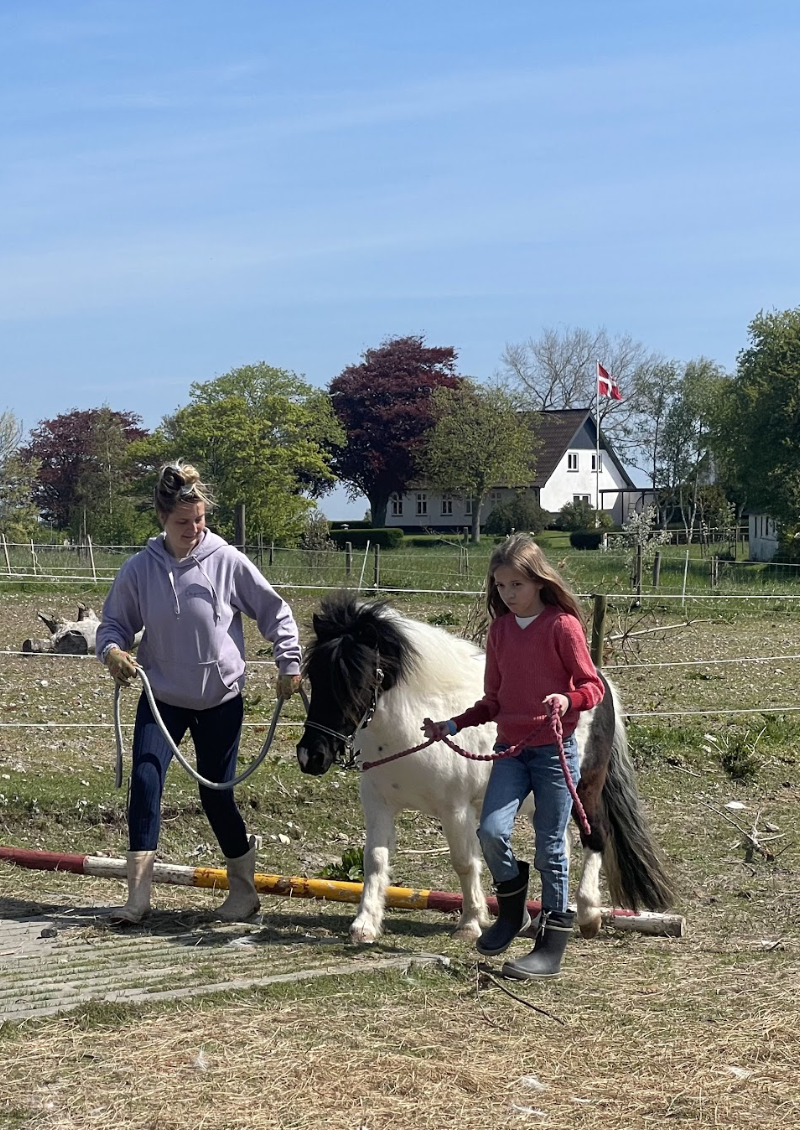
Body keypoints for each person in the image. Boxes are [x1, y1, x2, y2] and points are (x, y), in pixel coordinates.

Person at [96, 461, 302, 925]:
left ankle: (243, 893)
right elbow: (113, 625)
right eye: (183, 522)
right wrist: (110, 650)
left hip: (221, 700)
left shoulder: (226, 560)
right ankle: (138, 898)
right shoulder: (139, 569)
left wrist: (290, 663)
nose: (194, 529)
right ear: (162, 520)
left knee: (216, 795)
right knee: (145, 783)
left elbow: (276, 612)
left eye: (200, 520)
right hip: (162, 697)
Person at [423, 533, 604, 980]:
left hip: (552, 752)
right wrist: (452, 725)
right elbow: (493, 701)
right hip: (510, 751)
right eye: (500, 586)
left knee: (550, 846)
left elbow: (593, 686)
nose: (507, 595)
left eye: (516, 586)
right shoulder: (500, 630)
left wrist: (567, 699)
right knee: (490, 830)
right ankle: (512, 911)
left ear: (539, 581)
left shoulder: (562, 626)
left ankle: (551, 944)